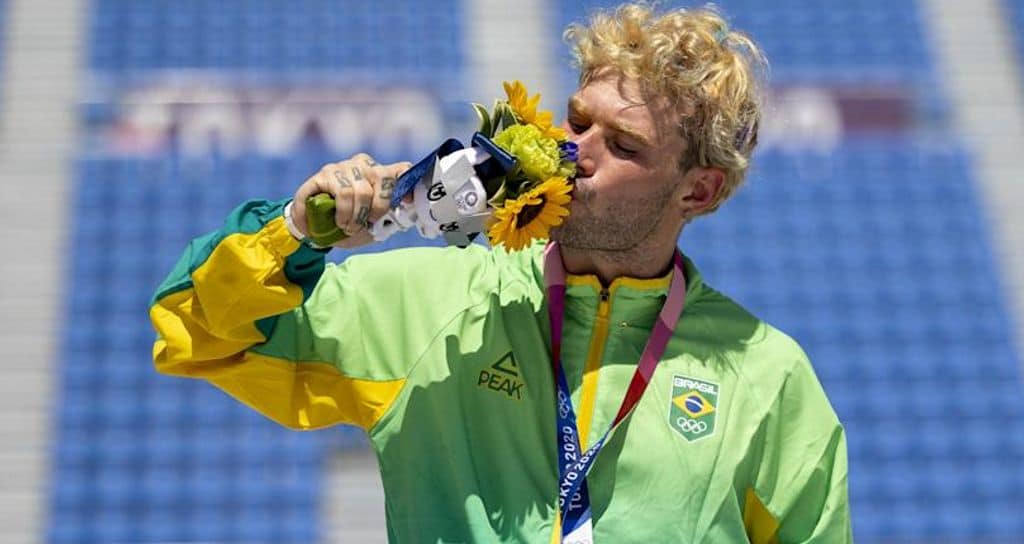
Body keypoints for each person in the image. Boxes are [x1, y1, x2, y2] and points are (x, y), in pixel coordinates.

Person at [149, 3, 850, 542]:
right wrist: (296, 233)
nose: (576, 151)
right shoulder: (432, 307)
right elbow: (197, 333)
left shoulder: (766, 375)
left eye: (624, 145)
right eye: (577, 121)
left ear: (698, 191)